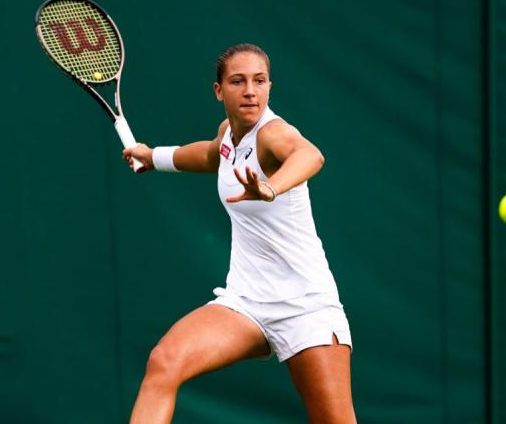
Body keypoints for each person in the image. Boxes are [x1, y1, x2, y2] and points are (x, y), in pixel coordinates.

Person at [121, 43, 355, 424]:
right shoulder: (229, 133)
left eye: (259, 81)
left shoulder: (273, 133)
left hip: (305, 307)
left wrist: (272, 187)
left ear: (269, 87)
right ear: (219, 91)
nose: (250, 91)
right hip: (247, 302)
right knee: (164, 362)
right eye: (238, 81)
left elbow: (310, 155)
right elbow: (212, 155)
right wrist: (154, 157)